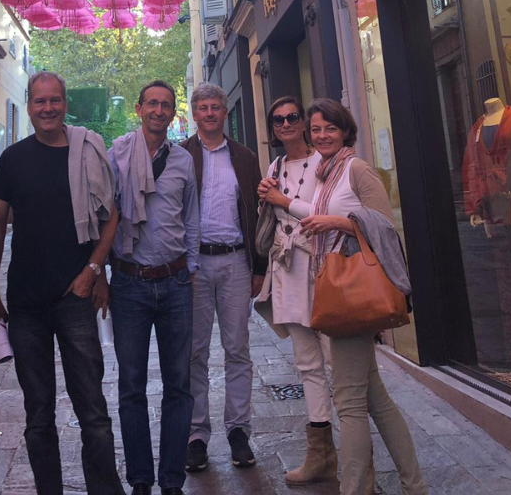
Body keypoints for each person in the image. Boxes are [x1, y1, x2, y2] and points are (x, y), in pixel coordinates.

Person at [0, 71, 125, 495]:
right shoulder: (12, 159)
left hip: (75, 296)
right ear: (28, 106)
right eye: (40, 101)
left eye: (55, 100)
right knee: (38, 413)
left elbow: (112, 216)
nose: (48, 108)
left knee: (94, 411)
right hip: (26, 303)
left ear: (65, 104)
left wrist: (93, 272)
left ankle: (105, 490)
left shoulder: (88, 150)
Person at [300, 98, 427, 495]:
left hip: (352, 296)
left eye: (330, 129)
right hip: (339, 294)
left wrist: (337, 221)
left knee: (350, 404)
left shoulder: (356, 168)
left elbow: (386, 227)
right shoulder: (325, 173)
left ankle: (354, 489)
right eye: (316, 129)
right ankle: (414, 485)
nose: (322, 135)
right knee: (377, 400)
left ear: (346, 132)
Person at [109, 80, 200, 495]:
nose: (158, 111)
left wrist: (191, 269)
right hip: (129, 284)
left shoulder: (183, 161)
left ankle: (172, 480)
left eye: (166, 105)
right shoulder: (117, 155)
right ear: (138, 107)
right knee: (131, 386)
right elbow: (104, 210)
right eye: (152, 103)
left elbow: (192, 219)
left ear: (172, 112)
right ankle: (141, 480)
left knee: (178, 386)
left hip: (176, 282)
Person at [181, 83, 265, 473]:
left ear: (225, 113)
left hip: (235, 263)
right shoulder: (180, 156)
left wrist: (259, 266)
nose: (210, 113)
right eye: (203, 107)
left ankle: (238, 432)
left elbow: (260, 216)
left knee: (237, 350)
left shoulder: (245, 158)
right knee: (194, 352)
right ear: (195, 114)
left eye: (216, 107)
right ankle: (197, 435)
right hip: (195, 266)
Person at [256, 96, 334, 486]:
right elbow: (273, 217)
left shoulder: (325, 161)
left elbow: (327, 211)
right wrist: (265, 197)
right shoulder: (274, 166)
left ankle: (356, 448)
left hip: (322, 269)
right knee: (307, 363)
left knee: (338, 359)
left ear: (303, 122)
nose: (285, 124)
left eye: (291, 117)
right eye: (278, 120)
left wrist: (283, 201)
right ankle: (320, 451)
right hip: (288, 270)